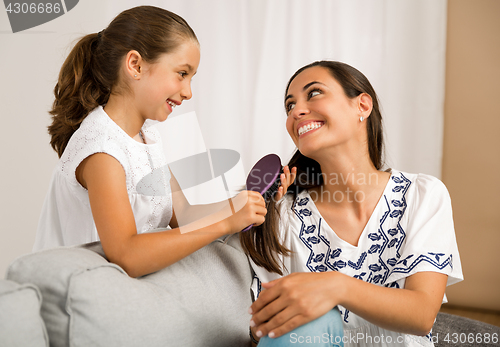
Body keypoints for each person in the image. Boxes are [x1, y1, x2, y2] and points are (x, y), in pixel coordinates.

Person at [33, 6, 267, 278]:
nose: (188, 92)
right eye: (182, 73)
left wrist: (248, 204)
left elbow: (185, 215)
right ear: (136, 65)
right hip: (73, 302)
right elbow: (127, 255)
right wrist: (225, 220)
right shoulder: (102, 150)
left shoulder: (147, 139)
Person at [241, 61, 463, 346]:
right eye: (289, 105)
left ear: (362, 106)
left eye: (314, 93)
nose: (296, 111)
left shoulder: (423, 195)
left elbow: (421, 315)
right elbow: (265, 330)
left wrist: (336, 286)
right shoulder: (283, 214)